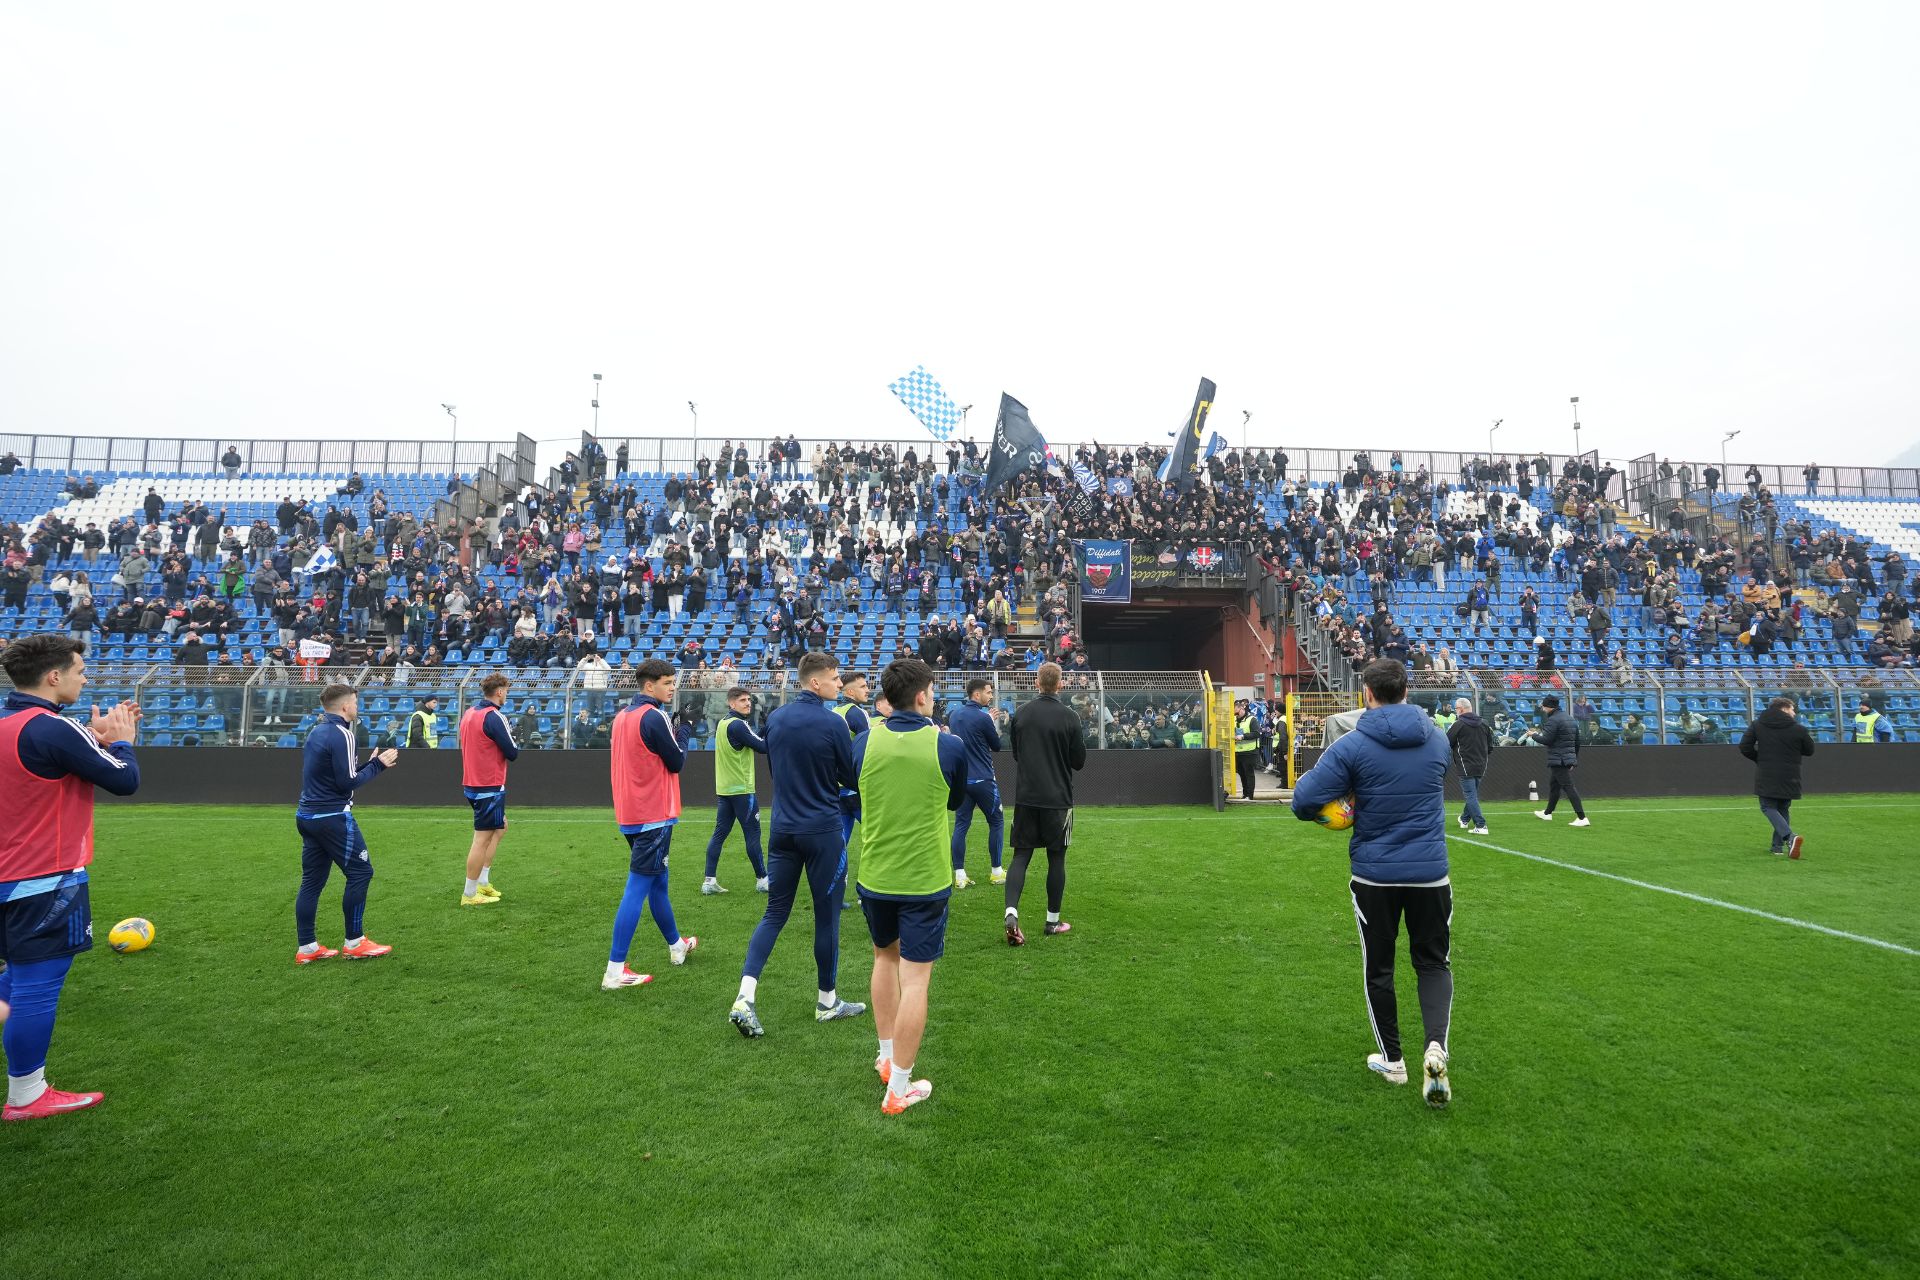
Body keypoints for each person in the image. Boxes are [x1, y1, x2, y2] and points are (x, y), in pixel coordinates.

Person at [1289, 658, 1454, 1108]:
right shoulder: (1437, 738)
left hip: (1375, 876)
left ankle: (1394, 1061)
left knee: (1379, 968)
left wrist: (1342, 806)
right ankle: (1435, 1046)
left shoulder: (1353, 744)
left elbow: (1303, 801)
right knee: (1433, 964)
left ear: (1367, 693)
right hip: (1430, 874)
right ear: (1406, 691)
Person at [0, 635, 141, 1122]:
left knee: (15, 978)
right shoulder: (53, 727)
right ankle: (26, 1095)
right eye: (80, 670)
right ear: (54, 676)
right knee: (36, 987)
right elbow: (124, 779)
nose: (84, 678)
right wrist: (121, 742)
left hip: (9, 875)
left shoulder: (10, 724)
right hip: (46, 879)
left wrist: (93, 738)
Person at [730, 650, 866, 1037]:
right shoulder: (833, 722)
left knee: (774, 913)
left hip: (783, 830)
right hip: (822, 832)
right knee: (827, 917)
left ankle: (744, 997)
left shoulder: (776, 718)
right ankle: (827, 1002)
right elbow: (850, 778)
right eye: (835, 678)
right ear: (815, 682)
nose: (840, 684)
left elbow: (776, 770)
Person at [853, 658, 968, 1114]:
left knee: (884, 957)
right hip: (923, 880)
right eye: (933, 692)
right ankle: (898, 1087)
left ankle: (886, 1058)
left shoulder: (863, 741)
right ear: (922, 697)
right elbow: (955, 800)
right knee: (916, 979)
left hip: (875, 875)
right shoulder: (949, 746)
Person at [601, 659, 698, 990]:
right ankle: (615, 971)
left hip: (631, 812)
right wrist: (685, 728)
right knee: (639, 885)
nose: (672, 687)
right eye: (667, 682)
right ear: (648, 685)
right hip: (653, 813)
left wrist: (675, 728)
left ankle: (677, 944)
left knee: (658, 882)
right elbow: (677, 760)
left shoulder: (622, 716)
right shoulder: (653, 716)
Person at [294, 683, 399, 965]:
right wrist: (378, 765)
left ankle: (307, 947)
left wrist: (369, 764)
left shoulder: (316, 731)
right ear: (344, 706)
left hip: (307, 816)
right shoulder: (344, 734)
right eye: (355, 702)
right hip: (333, 817)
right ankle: (354, 941)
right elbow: (347, 783)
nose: (357, 706)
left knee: (312, 881)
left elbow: (337, 776)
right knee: (361, 872)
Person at [1004, 661, 1086, 945]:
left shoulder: (1021, 713)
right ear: (1060, 684)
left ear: (1037, 683)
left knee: (1020, 856)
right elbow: (1079, 761)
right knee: (1056, 858)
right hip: (1058, 799)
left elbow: (1016, 754)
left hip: (1026, 797)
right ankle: (1052, 922)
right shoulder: (1070, 717)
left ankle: (1011, 912)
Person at [457, 673, 520, 906]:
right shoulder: (494, 716)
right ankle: (469, 894)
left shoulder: (469, 713)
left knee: (501, 826)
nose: (507, 695)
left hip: (473, 782)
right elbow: (512, 752)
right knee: (481, 839)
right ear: (500, 691)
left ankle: (482, 882)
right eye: (506, 691)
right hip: (488, 785)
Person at [704, 686, 770, 895]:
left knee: (719, 834)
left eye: (749, 700)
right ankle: (762, 880)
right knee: (752, 834)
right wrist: (773, 729)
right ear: (731, 703)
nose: (748, 703)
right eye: (742, 700)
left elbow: (751, 739)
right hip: (742, 789)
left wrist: (764, 728)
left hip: (725, 789)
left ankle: (709, 880)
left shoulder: (724, 723)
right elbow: (763, 747)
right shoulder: (738, 725)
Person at [947, 677, 1006, 889]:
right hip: (983, 779)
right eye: (988, 692)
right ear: (977, 694)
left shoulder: (954, 715)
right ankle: (996, 872)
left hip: (962, 780)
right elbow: (996, 746)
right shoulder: (983, 718)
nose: (990, 696)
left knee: (961, 825)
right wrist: (991, 722)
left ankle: (960, 875)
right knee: (996, 822)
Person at [1739, 696, 1814, 859]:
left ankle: (1789, 837)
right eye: (1792, 709)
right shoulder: (1798, 729)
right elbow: (1809, 750)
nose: (1794, 713)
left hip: (1767, 772)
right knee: (1783, 808)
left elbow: (1744, 747)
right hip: (1790, 774)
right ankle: (1777, 847)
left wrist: (1760, 759)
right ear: (1784, 709)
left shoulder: (1758, 725)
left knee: (1767, 806)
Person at [1529, 694, 1588, 826]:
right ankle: (1547, 813)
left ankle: (1582, 818)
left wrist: (1534, 735)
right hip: (1565, 758)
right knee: (1554, 786)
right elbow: (1577, 742)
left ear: (1549, 707)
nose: (1543, 709)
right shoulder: (1570, 718)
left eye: (1544, 707)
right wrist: (1573, 759)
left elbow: (1546, 740)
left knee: (1569, 787)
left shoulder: (1553, 720)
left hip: (1558, 759)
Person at [832, 671, 873, 854]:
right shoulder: (858, 713)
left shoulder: (834, 712)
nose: (868, 690)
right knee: (881, 837)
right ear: (849, 692)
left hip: (836, 787)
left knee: (839, 845)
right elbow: (868, 748)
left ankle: (836, 872)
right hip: (856, 787)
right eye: (863, 686)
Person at [1445, 696, 1493, 835]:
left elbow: (1446, 743)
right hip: (1481, 765)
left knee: (1470, 796)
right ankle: (1464, 819)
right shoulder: (1484, 723)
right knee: (1472, 794)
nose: (1455, 711)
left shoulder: (1458, 725)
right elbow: (1490, 746)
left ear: (1460, 709)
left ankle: (1481, 825)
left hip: (1465, 765)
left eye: (1456, 708)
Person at [1232, 697, 1260, 799]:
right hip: (1237, 751)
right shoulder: (1234, 719)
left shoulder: (1252, 719)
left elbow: (1256, 733)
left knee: (1249, 774)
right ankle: (1245, 794)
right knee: (1242, 774)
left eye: (1236, 712)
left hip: (1249, 751)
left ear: (1241, 709)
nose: (1235, 715)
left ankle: (1250, 795)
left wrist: (1243, 736)